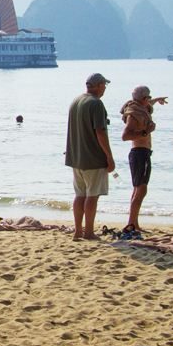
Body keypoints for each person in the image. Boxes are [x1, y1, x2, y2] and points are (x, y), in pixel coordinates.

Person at [65, 73, 116, 241]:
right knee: (92, 196)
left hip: (76, 157)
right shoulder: (96, 104)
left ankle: (78, 231)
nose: (105, 89)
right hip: (93, 158)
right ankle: (88, 232)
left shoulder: (76, 101)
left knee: (80, 195)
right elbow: (100, 132)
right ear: (99, 85)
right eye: (104, 86)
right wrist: (109, 156)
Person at [120, 85, 168, 233]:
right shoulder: (134, 113)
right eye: (148, 98)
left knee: (138, 188)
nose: (149, 101)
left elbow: (146, 105)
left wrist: (156, 100)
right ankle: (131, 223)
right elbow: (125, 136)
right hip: (139, 152)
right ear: (143, 99)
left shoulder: (139, 107)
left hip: (141, 153)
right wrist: (147, 131)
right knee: (141, 189)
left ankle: (134, 222)